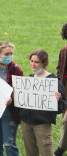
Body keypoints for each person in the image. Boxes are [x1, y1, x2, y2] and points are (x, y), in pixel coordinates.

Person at [18, 49, 67, 156]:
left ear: (44, 63)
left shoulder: (53, 82)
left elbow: (62, 107)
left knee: (47, 153)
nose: (33, 64)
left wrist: (58, 100)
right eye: (31, 61)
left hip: (42, 124)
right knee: (30, 153)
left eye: (36, 62)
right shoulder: (29, 80)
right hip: (26, 123)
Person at [55, 22, 67, 156]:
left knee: (66, 121)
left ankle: (61, 148)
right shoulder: (64, 50)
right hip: (65, 90)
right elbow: (60, 68)